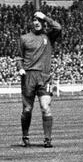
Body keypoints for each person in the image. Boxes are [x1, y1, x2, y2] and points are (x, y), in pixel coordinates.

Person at [16, 11, 62, 147]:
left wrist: (46, 17)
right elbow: (19, 57)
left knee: (45, 107)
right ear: (31, 23)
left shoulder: (48, 36)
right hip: (28, 76)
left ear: (43, 23)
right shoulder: (24, 38)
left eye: (39, 20)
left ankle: (47, 140)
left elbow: (58, 27)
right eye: (34, 20)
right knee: (27, 109)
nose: (36, 23)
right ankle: (25, 136)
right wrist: (20, 67)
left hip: (45, 77)